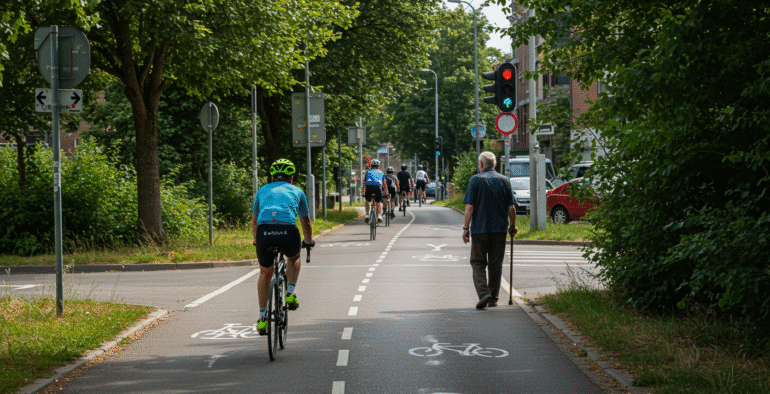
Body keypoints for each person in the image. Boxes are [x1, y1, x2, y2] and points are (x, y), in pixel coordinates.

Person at [252, 159, 314, 335]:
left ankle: (262, 318)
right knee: (293, 258)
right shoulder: (297, 191)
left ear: (272, 177)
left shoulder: (262, 190)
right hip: (288, 232)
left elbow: (254, 221)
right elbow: (306, 222)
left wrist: (256, 240)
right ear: (291, 178)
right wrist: (308, 241)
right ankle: (291, 292)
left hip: (264, 232)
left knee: (265, 273)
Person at [461, 152, 518, 309]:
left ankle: (483, 293)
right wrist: (512, 225)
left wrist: (466, 228)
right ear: (495, 164)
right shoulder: (504, 181)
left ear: (481, 164)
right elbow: (511, 208)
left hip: (480, 229)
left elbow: (469, 207)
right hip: (500, 230)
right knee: (495, 263)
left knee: (478, 262)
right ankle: (493, 298)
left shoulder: (475, 180)